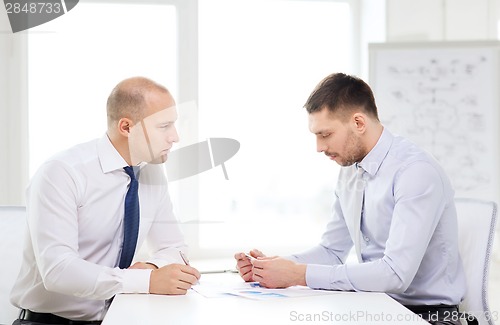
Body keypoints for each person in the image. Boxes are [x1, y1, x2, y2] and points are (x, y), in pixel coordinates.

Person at [235, 73, 466, 325]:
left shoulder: (415, 172)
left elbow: (395, 274)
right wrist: (272, 268)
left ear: (358, 122)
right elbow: (332, 251)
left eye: (325, 135)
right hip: (374, 305)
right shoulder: (350, 172)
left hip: (429, 316)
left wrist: (298, 274)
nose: (318, 147)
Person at [11, 77, 200, 325]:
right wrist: (146, 281)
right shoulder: (62, 172)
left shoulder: (151, 172)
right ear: (126, 127)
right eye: (164, 126)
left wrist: (151, 267)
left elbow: (175, 248)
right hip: (49, 322)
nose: (175, 137)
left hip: (116, 318)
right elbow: (58, 271)